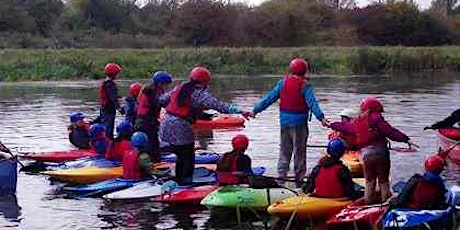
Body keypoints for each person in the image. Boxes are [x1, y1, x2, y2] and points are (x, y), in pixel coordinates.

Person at [160, 66, 252, 185]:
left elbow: (162, 100)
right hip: (180, 125)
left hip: (166, 123)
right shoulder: (199, 94)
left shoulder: (179, 87)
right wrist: (240, 111)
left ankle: (179, 179)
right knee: (188, 155)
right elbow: (219, 105)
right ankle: (186, 182)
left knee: (180, 155)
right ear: (204, 82)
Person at [251, 58, 329, 186]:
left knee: (284, 150)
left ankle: (281, 178)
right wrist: (321, 118)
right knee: (299, 151)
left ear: (291, 69)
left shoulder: (283, 83)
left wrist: (255, 110)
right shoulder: (305, 85)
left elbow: (269, 98)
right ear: (305, 71)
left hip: (285, 122)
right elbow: (312, 103)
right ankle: (299, 180)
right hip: (299, 124)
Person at [349, 97, 417, 204]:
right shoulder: (376, 117)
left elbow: (353, 135)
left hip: (365, 155)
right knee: (383, 181)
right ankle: (385, 202)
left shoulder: (357, 121)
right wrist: (406, 139)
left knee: (369, 181)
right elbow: (389, 131)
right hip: (380, 153)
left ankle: (368, 203)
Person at [99, 63, 124, 140]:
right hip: (108, 109)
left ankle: (107, 141)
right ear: (113, 74)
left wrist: (118, 96)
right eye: (117, 74)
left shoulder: (106, 83)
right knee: (108, 127)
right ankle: (108, 143)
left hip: (104, 108)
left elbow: (110, 95)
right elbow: (113, 98)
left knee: (106, 125)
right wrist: (119, 108)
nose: (118, 75)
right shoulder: (110, 84)